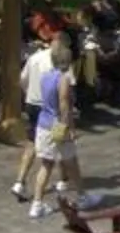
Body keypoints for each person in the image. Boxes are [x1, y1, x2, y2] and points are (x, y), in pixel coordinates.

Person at [29, 36, 82, 218]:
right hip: (57, 125)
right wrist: (69, 128)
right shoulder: (63, 79)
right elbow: (64, 106)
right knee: (70, 160)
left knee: (47, 163)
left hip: (43, 123)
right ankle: (83, 196)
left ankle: (37, 203)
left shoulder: (45, 77)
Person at [13, 27, 57, 209]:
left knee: (31, 143)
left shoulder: (34, 58)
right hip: (49, 109)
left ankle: (19, 182)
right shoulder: (59, 62)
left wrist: (29, 95)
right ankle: (39, 200)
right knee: (51, 153)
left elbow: (22, 81)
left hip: (32, 104)